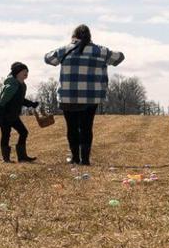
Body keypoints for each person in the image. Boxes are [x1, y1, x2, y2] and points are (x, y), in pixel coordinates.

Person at [45, 24, 125, 166]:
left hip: (67, 96)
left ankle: (75, 157)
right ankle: (85, 159)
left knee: (72, 127)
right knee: (87, 127)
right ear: (90, 36)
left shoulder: (64, 50)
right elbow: (119, 58)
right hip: (91, 96)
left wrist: (68, 46)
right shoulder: (101, 51)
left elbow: (48, 59)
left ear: (74, 36)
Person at [0, 62, 40, 163]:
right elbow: (2, 102)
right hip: (5, 115)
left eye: (27, 71)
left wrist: (32, 104)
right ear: (17, 73)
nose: (26, 73)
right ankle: (6, 159)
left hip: (14, 115)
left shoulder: (22, 85)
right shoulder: (11, 86)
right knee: (6, 135)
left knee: (23, 132)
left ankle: (22, 157)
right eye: (24, 71)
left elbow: (20, 100)